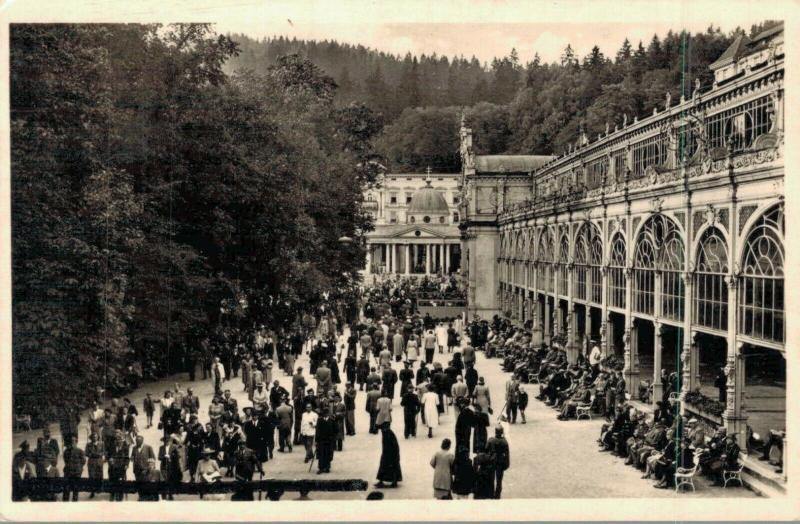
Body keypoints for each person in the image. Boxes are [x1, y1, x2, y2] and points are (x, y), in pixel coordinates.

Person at [485, 426, 510, 499]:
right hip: (500, 462)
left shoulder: (491, 440)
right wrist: (507, 464)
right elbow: (507, 454)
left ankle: (491, 493)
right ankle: (497, 495)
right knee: (499, 481)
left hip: (491, 461)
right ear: (502, 432)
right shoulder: (504, 442)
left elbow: (486, 449)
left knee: (491, 479)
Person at [375, 423, 402, 488]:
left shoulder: (389, 434)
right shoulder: (386, 433)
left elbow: (393, 447)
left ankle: (394, 480)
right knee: (384, 463)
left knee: (391, 464)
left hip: (391, 452)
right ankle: (382, 480)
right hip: (388, 451)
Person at [107, 430, 130, 501]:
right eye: (116, 437)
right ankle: (112, 494)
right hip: (112, 466)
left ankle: (120, 495)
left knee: (120, 481)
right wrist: (109, 459)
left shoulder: (125, 445)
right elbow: (108, 454)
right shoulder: (111, 444)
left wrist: (126, 464)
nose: (118, 439)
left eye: (119, 437)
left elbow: (127, 457)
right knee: (112, 480)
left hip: (121, 466)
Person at [62, 435, 86, 501]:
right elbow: (65, 460)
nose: (72, 443)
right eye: (71, 441)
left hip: (76, 473)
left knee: (75, 490)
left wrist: (79, 469)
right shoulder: (66, 451)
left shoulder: (80, 451)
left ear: (76, 442)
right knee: (66, 489)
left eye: (74, 441)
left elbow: (83, 461)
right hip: (68, 472)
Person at [315, 409, 337, 474]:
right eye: (324, 413)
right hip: (321, 441)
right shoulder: (320, 420)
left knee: (328, 454)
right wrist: (316, 440)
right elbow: (317, 431)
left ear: (328, 414)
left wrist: (333, 437)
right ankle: (321, 468)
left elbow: (336, 430)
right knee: (321, 454)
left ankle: (327, 467)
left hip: (329, 441)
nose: (326, 414)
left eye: (327, 413)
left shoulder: (332, 420)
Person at [85, 432, 105, 499]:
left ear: (98, 437)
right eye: (93, 437)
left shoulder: (101, 443)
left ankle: (99, 488)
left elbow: (104, 452)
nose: (95, 438)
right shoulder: (88, 444)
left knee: (99, 476)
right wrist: (92, 455)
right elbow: (86, 453)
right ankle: (92, 492)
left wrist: (99, 454)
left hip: (99, 461)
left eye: (96, 437)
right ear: (91, 438)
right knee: (92, 476)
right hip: (92, 462)